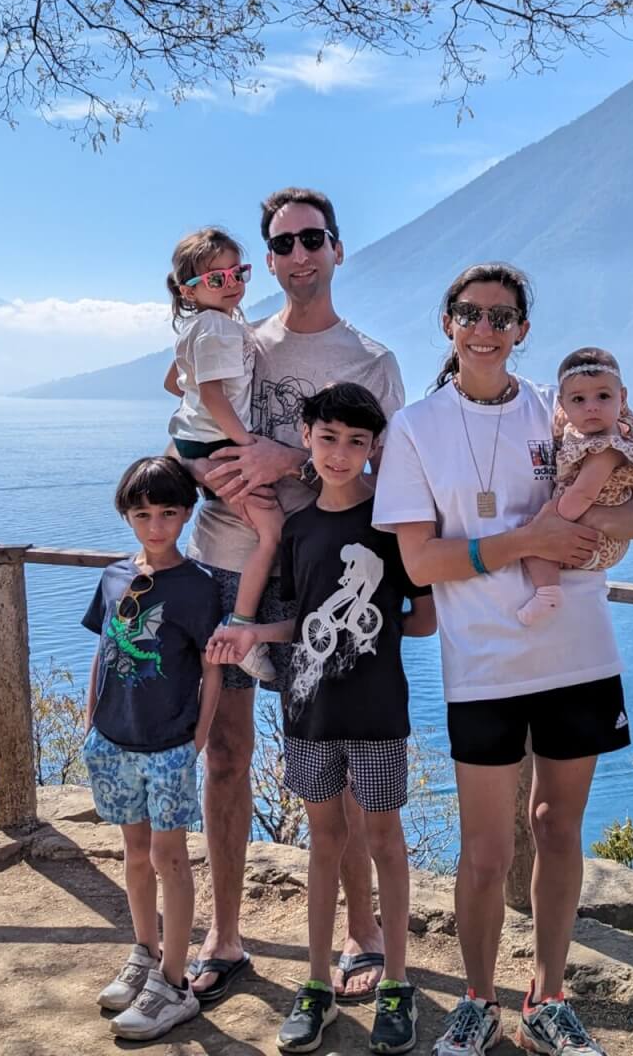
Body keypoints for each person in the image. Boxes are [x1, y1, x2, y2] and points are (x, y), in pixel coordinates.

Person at [372, 265, 633, 1056]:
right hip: (483, 666)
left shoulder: (564, 405)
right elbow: (420, 562)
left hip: (578, 653)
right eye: (470, 314)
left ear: (523, 329)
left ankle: (548, 997)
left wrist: (591, 525)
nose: (485, 329)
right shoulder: (416, 427)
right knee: (486, 851)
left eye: (501, 317)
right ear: (447, 322)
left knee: (558, 829)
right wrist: (529, 540)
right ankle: (477, 999)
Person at [183, 188, 409, 1007]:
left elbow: (394, 476)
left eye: (313, 239)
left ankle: (362, 933)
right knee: (226, 754)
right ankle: (224, 936)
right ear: (267, 260)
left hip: (324, 578)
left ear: (337, 248)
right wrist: (201, 472)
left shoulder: (372, 361)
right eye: (282, 244)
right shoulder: (236, 338)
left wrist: (294, 461)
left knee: (339, 763)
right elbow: (191, 423)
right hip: (226, 560)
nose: (299, 255)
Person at [207, 384, 436, 1054]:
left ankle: (397, 984)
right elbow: (305, 619)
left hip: (378, 714)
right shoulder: (299, 529)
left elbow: (423, 618)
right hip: (307, 713)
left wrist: (368, 634)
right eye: (328, 438)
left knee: (385, 841)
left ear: (374, 447)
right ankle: (315, 985)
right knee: (324, 843)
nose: (340, 453)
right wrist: (255, 633)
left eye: (356, 441)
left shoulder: (393, 525)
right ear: (305, 437)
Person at [81, 457, 224, 1041]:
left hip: (168, 744)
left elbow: (211, 669)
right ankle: (144, 952)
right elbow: (103, 646)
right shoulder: (115, 576)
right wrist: (91, 718)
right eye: (142, 515)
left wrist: (199, 735)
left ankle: (173, 981)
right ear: (127, 517)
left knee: (171, 858)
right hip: (115, 739)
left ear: (187, 514)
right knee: (135, 854)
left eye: (168, 513)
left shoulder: (198, 587)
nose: (156, 525)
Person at [162, 225, 284, 683]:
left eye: (238, 272)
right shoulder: (216, 326)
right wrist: (247, 445)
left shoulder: (202, 325)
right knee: (270, 532)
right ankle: (243, 627)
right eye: (217, 278)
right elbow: (212, 393)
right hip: (221, 443)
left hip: (198, 439)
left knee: (264, 528)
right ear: (189, 290)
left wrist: (196, 408)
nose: (231, 283)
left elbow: (175, 382)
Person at [516, 346, 633, 626]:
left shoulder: (607, 447)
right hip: (590, 532)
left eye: (603, 396)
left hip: (597, 541)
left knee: (531, 539)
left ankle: (548, 593)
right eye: (579, 399)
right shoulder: (582, 434)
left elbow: (583, 494)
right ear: (563, 405)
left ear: (622, 398)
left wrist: (550, 521)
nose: (591, 406)